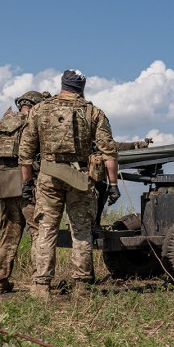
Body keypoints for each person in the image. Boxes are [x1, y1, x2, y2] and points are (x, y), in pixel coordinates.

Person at [18, 70, 120, 296]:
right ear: (81, 87)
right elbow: (109, 152)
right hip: (80, 178)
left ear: (62, 84)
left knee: (46, 229)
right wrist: (113, 185)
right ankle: (82, 285)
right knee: (81, 230)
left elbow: (25, 153)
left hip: (48, 177)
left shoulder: (39, 109)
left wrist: (27, 183)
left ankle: (42, 284)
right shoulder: (93, 112)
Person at [0, 90, 50, 293]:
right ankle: (37, 281)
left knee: (9, 234)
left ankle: (0, 281)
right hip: (27, 185)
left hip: (5, 184)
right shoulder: (34, 122)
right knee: (38, 233)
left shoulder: (5, 124)